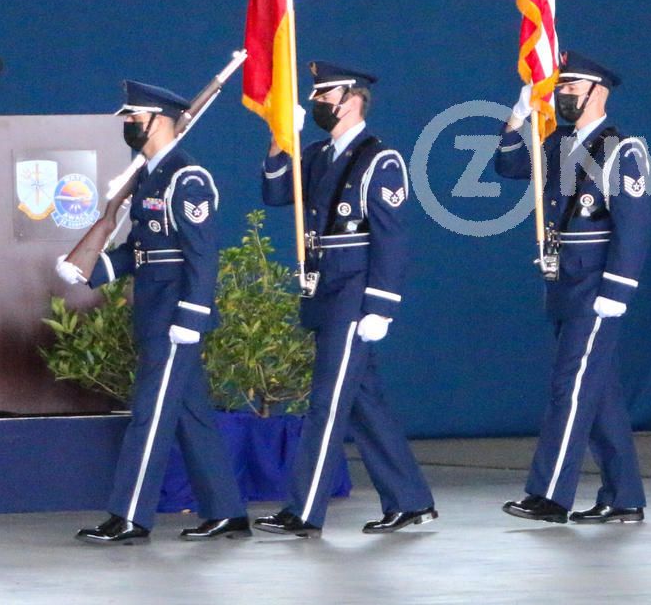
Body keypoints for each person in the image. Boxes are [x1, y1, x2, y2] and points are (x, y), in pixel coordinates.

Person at [57, 81, 248, 544]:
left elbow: (201, 255)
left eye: (134, 117)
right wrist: (89, 269)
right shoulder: (149, 175)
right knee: (190, 415)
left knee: (149, 414)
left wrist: (191, 317)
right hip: (154, 311)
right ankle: (227, 510)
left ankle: (130, 516)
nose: (128, 124)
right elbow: (140, 251)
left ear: (160, 121)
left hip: (175, 317)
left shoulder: (187, 178)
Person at [253, 62, 437, 537]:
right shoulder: (317, 154)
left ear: (352, 99)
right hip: (324, 287)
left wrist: (382, 305)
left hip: (355, 292)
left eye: (325, 95)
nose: (317, 102)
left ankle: (304, 510)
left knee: (328, 401)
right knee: (361, 400)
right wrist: (281, 139)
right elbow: (276, 191)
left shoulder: (380, 160)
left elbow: (392, 239)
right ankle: (410, 500)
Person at [493, 52, 651, 524]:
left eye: (571, 88)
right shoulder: (558, 144)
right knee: (598, 394)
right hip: (564, 281)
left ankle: (550, 495)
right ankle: (624, 496)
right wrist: (519, 114)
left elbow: (634, 228)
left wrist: (617, 290)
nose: (562, 96)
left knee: (571, 388)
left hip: (597, 285)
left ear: (598, 93)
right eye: (560, 88)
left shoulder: (622, 151)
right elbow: (509, 164)